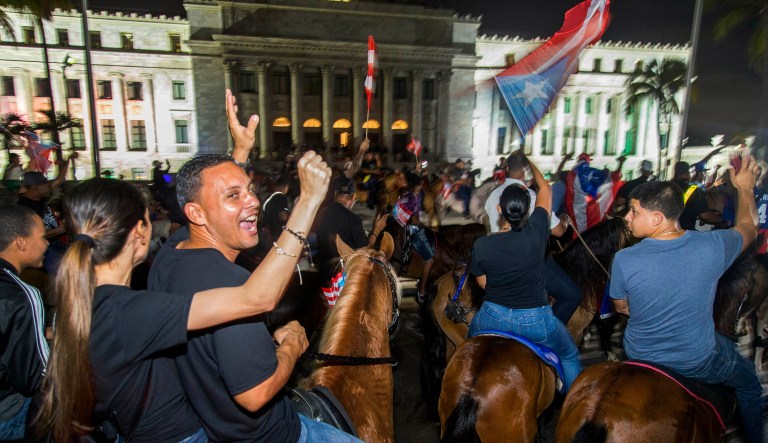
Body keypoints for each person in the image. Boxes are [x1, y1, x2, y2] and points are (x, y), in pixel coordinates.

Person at [147, 90, 361, 442]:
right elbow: (256, 393)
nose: (253, 201)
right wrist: (291, 345)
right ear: (196, 214)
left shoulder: (172, 253)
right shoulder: (231, 288)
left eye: (249, 189)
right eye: (234, 196)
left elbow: (204, 203)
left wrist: (240, 152)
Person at [610, 155, 763, 443]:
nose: (626, 217)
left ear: (656, 218)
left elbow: (621, 307)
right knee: (750, 385)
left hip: (640, 354)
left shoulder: (623, 259)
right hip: (696, 360)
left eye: (633, 211)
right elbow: (749, 228)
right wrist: (744, 189)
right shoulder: (712, 247)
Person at [469, 157, 583, 391]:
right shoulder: (537, 233)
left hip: (492, 316)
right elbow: (545, 190)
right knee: (570, 355)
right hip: (535, 321)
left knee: (468, 344)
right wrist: (531, 162)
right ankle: (571, 405)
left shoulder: (481, 245)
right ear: (526, 211)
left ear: (499, 209)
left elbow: (484, 285)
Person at [484, 152, 580, 325]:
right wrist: (565, 219)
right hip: (528, 262)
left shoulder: (493, 195)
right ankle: (550, 333)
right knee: (573, 295)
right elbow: (558, 231)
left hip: (497, 258)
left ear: (507, 168)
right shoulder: (530, 196)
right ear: (525, 171)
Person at [0, 205, 49, 440]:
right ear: (21, 243)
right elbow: (36, 377)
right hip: (8, 414)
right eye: (42, 237)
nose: (47, 243)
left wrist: (43, 332)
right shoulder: (23, 294)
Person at [315, 177, 387, 283]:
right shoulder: (354, 220)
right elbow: (364, 252)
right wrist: (376, 229)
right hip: (344, 275)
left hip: (323, 269)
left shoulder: (321, 213)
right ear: (353, 196)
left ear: (335, 193)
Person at [17, 156, 72, 273]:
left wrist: (67, 162)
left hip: (55, 242)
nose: (49, 187)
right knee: (64, 270)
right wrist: (60, 230)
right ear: (35, 187)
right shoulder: (24, 208)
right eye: (46, 185)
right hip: (44, 248)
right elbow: (30, 238)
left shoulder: (40, 197)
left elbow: (60, 179)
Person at [392, 171, 434, 303]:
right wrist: (427, 227)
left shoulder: (405, 194)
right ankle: (421, 292)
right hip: (410, 230)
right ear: (419, 184)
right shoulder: (413, 199)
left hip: (396, 226)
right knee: (430, 260)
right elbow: (414, 221)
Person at [564, 153, 625, 233]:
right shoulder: (593, 173)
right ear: (588, 161)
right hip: (589, 212)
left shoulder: (570, 174)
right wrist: (620, 164)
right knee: (588, 233)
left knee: (577, 232)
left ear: (578, 160)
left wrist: (564, 161)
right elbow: (611, 178)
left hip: (574, 212)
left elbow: (557, 175)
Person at [670, 161, 723, 231]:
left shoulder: (668, 187)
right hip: (684, 232)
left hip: (666, 232)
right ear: (688, 173)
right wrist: (722, 220)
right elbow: (705, 216)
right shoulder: (693, 190)